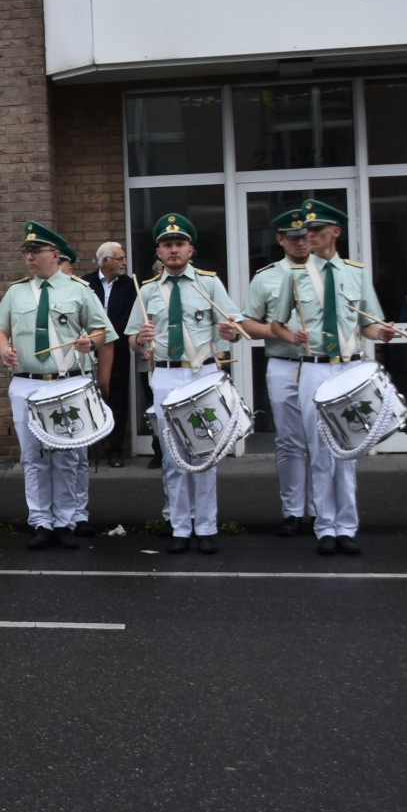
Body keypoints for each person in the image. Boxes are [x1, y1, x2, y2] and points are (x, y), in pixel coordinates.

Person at [266, 199, 395, 555]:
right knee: (320, 448)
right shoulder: (294, 276)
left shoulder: (356, 273)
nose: (308, 236)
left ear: (335, 232)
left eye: (316, 230)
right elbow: (276, 324)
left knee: (347, 449)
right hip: (313, 366)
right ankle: (324, 527)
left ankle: (347, 527)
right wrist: (292, 337)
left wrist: (382, 334)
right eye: (306, 231)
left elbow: (368, 324)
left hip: (349, 367)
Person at [127, 214, 243, 555]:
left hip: (202, 373)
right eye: (167, 245)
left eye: (179, 244)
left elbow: (233, 330)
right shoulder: (148, 290)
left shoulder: (209, 284)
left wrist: (231, 333)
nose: (173, 249)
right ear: (159, 252)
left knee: (205, 453)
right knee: (173, 455)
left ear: (191, 249)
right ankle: (180, 526)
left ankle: (205, 527)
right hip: (165, 374)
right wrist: (140, 340)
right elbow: (132, 339)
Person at [0, 224, 111, 549]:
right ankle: (41, 521)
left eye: (36, 251)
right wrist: (3, 349)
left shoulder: (79, 290)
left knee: (67, 457)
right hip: (26, 383)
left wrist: (89, 343)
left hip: (67, 382)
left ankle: (66, 522)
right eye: (26, 252)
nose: (29, 257)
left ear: (55, 255)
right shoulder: (16, 292)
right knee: (33, 457)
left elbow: (101, 331)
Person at [238, 210, 313, 536]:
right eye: (292, 238)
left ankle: (322, 512)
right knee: (289, 441)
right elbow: (247, 324)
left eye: (305, 236)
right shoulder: (265, 277)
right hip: (284, 363)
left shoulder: (327, 273)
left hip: (324, 365)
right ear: (281, 239)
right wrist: (279, 331)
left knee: (323, 441)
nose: (300, 242)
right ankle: (293, 512)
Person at [84, 242, 135, 467]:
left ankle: (115, 450)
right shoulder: (85, 283)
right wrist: (94, 339)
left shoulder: (129, 285)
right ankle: (87, 447)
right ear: (105, 261)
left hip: (119, 349)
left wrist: (109, 336)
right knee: (87, 398)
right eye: (120, 258)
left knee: (117, 398)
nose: (124, 262)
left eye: (123, 258)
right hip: (88, 349)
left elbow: (129, 314)